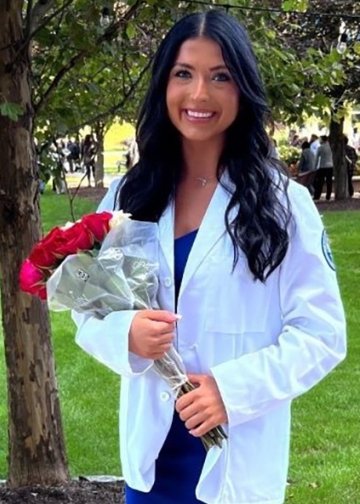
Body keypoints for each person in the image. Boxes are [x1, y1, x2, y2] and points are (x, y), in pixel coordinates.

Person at [73, 10, 346, 504]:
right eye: (184, 74)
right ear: (164, 85)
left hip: (237, 464)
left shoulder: (284, 205)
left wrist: (232, 390)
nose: (199, 94)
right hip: (150, 466)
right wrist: (126, 334)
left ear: (242, 89)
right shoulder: (127, 196)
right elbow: (90, 311)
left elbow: (323, 334)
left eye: (220, 76)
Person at [313, 135, 334, 201]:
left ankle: (317, 196)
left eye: (320, 139)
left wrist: (315, 167)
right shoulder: (331, 147)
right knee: (329, 182)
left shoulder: (320, 148)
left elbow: (316, 158)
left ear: (322, 140)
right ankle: (328, 196)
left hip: (323, 166)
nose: (319, 141)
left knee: (320, 182)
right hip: (330, 166)